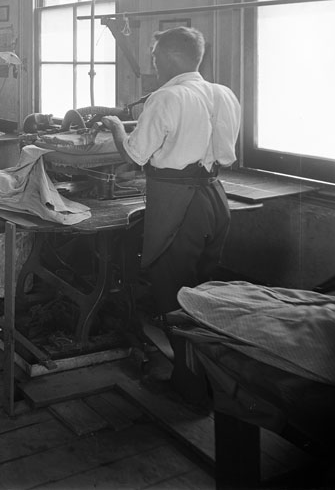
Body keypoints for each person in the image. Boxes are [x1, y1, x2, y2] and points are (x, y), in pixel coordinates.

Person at [101, 26, 241, 403]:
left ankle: (190, 386)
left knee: (173, 293)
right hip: (215, 198)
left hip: (179, 204)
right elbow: (224, 152)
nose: (154, 63)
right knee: (203, 291)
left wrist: (116, 127)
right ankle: (211, 377)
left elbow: (134, 155)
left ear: (170, 57)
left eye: (156, 56)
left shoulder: (166, 98)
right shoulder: (223, 94)